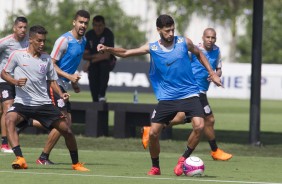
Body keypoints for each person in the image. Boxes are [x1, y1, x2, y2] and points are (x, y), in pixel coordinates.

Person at [97, 14, 222, 176]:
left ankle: (183, 160)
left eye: (172, 30)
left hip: (190, 93)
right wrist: (108, 49)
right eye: (167, 31)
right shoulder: (153, 48)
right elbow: (127, 52)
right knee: (153, 133)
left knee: (199, 126)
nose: (171, 33)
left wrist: (212, 72)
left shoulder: (184, 42)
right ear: (159, 30)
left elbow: (199, 54)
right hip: (167, 97)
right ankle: (155, 166)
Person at [1, 25, 89, 171]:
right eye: (39, 41)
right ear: (31, 40)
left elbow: (52, 81)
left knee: (66, 130)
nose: (42, 44)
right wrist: (15, 82)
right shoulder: (17, 55)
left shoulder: (46, 58)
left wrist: (61, 94)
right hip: (23, 103)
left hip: (43, 104)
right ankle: (20, 158)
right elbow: (4, 73)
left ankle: (76, 163)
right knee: (9, 119)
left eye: (44, 41)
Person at [141, 28, 233, 161]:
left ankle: (150, 130)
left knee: (181, 118)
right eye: (208, 37)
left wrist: (215, 75)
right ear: (202, 38)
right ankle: (215, 150)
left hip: (200, 90)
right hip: (193, 90)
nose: (210, 40)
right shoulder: (194, 49)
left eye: (213, 38)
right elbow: (180, 62)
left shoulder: (217, 51)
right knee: (209, 119)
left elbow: (218, 70)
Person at [30, 10, 90, 165]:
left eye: (85, 22)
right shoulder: (64, 40)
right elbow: (51, 64)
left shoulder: (83, 41)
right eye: (80, 22)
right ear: (74, 22)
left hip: (64, 84)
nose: (83, 25)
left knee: (65, 123)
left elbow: (70, 66)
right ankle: (43, 157)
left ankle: (42, 152)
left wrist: (73, 83)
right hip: (53, 83)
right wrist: (69, 77)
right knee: (64, 122)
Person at [0, 16, 29, 153]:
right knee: (7, 108)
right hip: (4, 80)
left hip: (20, 82)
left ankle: (13, 132)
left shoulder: (29, 42)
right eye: (20, 27)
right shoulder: (5, 42)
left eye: (25, 27)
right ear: (14, 28)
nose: (23, 30)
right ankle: (5, 143)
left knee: (23, 111)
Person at [83, 15, 114, 102]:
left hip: (108, 62)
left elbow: (106, 55)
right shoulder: (89, 35)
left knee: (104, 65)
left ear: (104, 25)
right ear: (93, 25)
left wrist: (90, 61)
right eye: (95, 25)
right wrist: (93, 59)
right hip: (94, 64)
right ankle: (95, 99)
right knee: (92, 73)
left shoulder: (108, 34)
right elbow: (85, 55)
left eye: (100, 25)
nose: (98, 28)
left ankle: (102, 94)